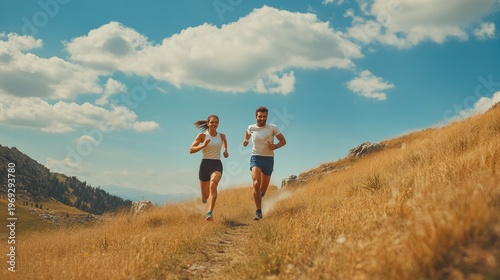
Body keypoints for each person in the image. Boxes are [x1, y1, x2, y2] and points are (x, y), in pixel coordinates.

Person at [243, 106, 286, 220]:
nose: (262, 119)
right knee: (256, 183)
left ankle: (260, 194)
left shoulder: (272, 128)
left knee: (263, 189)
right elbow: (247, 133)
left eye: (264, 117)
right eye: (260, 116)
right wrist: (246, 140)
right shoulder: (251, 127)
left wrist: (275, 146)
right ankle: (258, 211)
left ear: (267, 117)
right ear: (256, 117)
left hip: (268, 159)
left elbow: (283, 141)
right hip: (256, 157)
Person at [190, 115, 228, 221]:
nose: (214, 124)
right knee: (205, 196)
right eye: (212, 122)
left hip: (216, 164)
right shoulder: (202, 135)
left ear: (218, 124)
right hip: (205, 165)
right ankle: (204, 198)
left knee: (213, 185)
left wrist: (225, 150)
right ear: (208, 123)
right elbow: (191, 150)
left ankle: (210, 212)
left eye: (216, 122)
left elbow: (224, 141)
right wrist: (203, 146)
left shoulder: (222, 136)